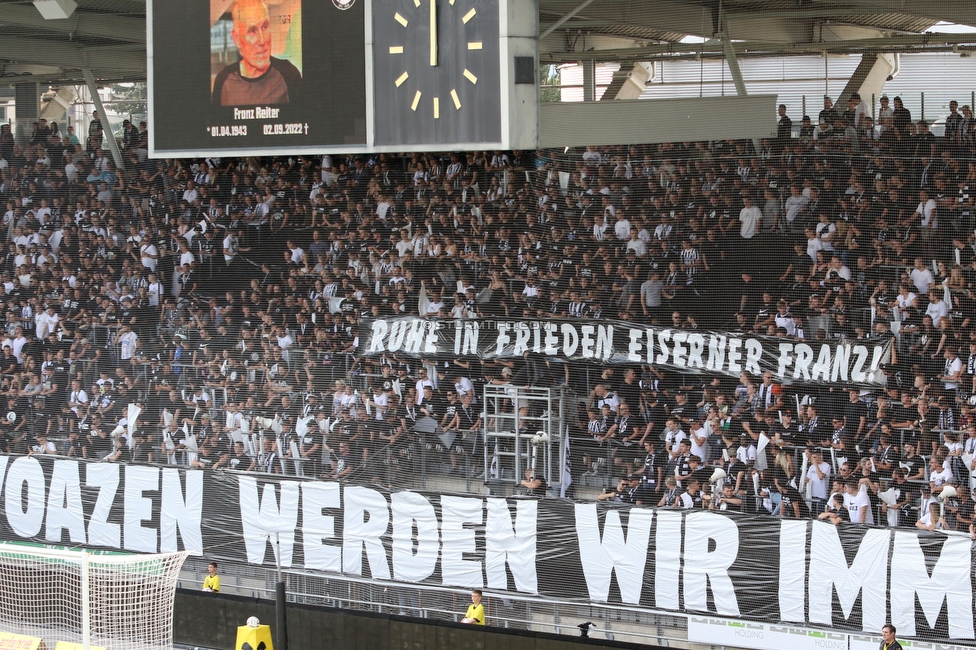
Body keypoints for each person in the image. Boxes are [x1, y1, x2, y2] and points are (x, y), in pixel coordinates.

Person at [212, 0, 303, 106]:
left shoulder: (289, 74)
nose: (262, 40)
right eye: (252, 31)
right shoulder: (224, 80)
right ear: (236, 38)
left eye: (265, 27)